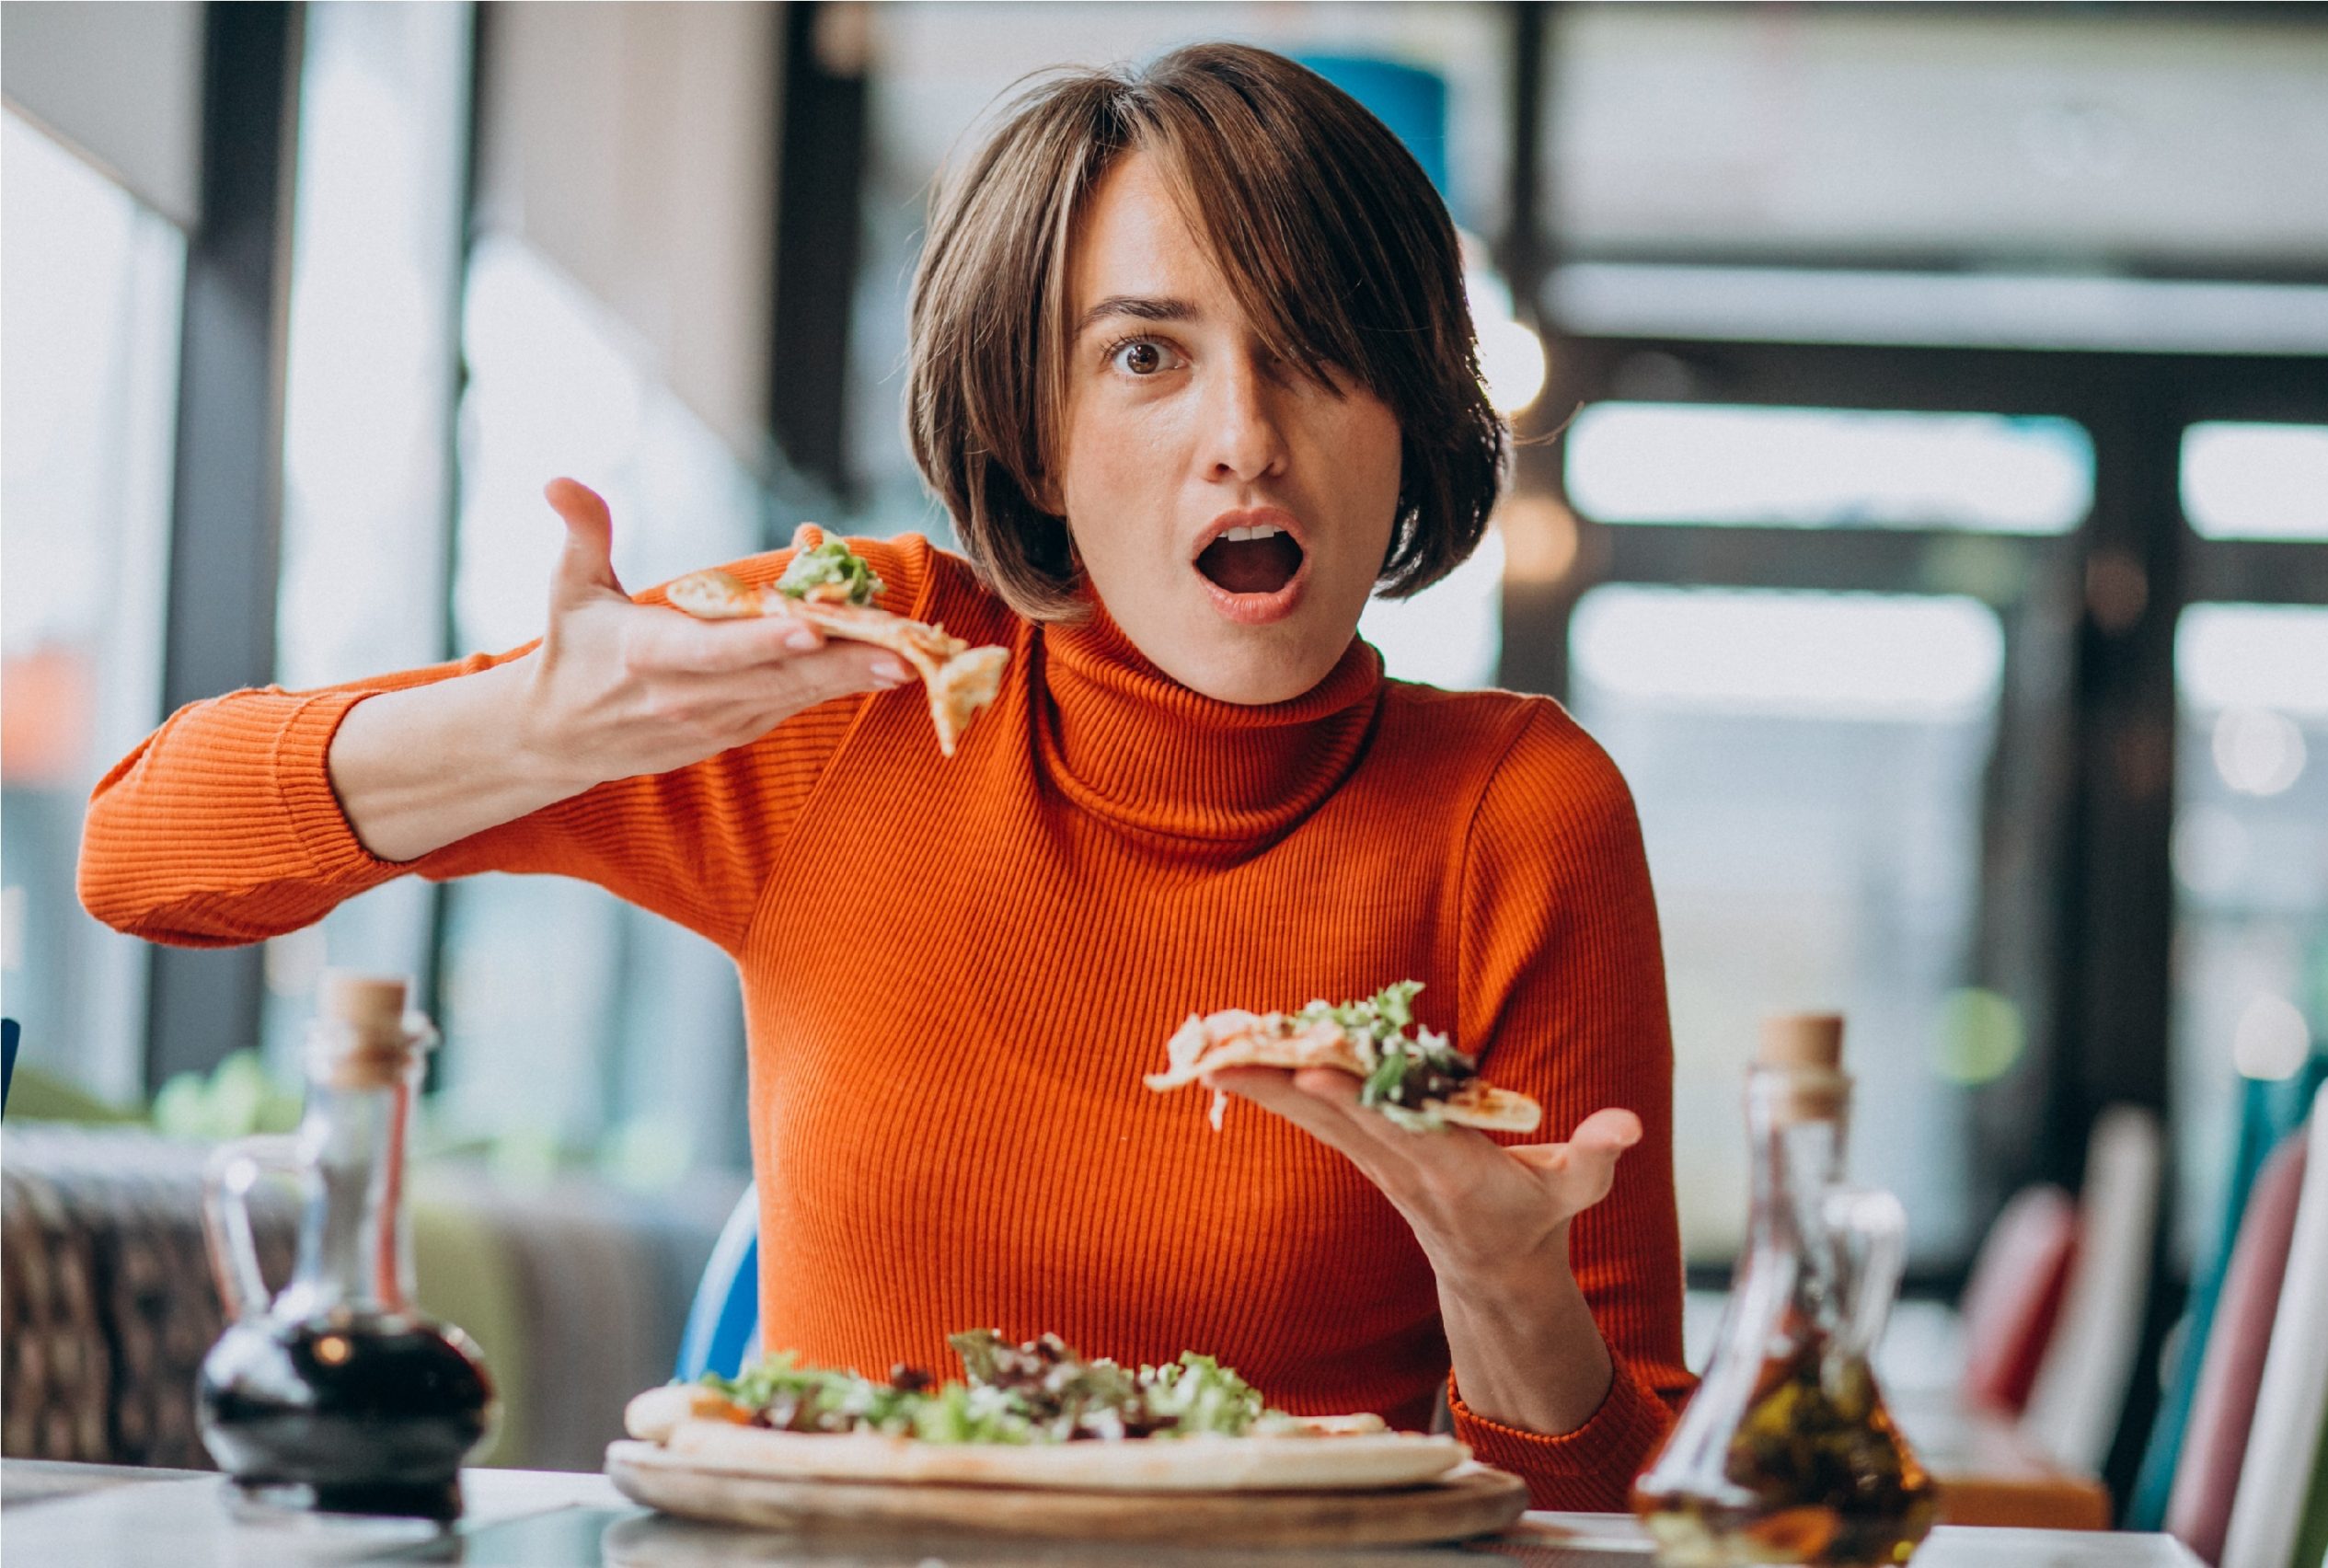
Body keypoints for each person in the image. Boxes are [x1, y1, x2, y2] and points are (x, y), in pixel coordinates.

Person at [80, 42, 1691, 1507]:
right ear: (1038, 430)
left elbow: (1613, 1512)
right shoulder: (860, 675)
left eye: (1320, 351)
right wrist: (527, 733)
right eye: (1146, 355)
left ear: (1410, 411)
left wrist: (1500, 1288)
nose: (1246, 437)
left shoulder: (1520, 813)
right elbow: (142, 852)